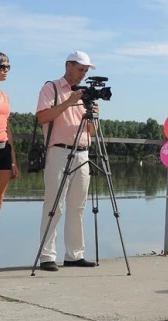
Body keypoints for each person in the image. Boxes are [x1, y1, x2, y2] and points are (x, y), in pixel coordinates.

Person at [36, 51, 98, 272]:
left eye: (85, 70)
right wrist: (70, 102)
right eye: (80, 69)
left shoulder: (87, 94)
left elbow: (91, 131)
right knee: (54, 205)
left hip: (83, 152)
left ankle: (74, 255)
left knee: (77, 207)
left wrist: (93, 115)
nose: (83, 74)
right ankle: (46, 256)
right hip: (59, 152)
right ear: (68, 65)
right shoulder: (51, 88)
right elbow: (42, 117)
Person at [0, 50, 18, 276]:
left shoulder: (4, 95)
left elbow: (7, 127)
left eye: (8, 66)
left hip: (3, 151)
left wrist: (14, 158)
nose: (6, 70)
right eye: (2, 66)